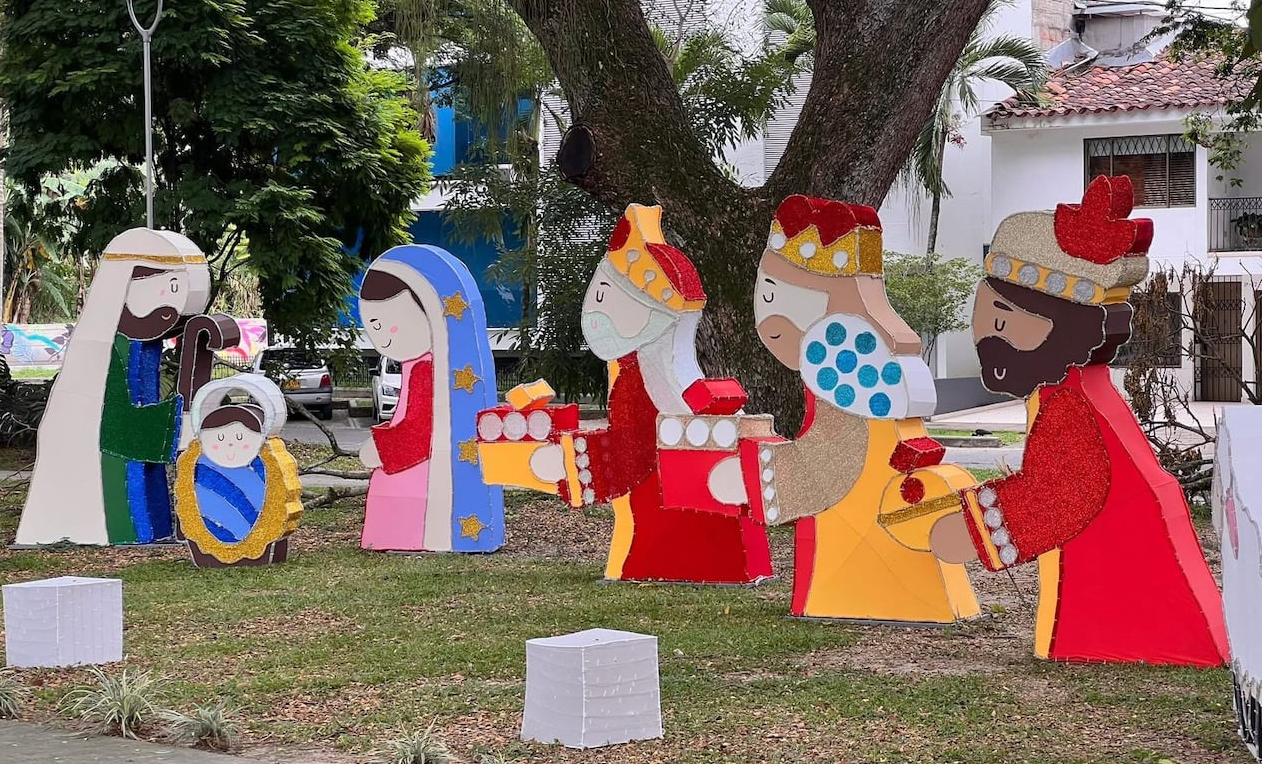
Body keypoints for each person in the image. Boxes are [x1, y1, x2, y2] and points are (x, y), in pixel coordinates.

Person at [928, 175, 1227, 665]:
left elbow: (1062, 495)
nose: (984, 332)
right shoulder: (1077, 391)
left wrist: (969, 530)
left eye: (998, 315)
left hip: (1121, 590)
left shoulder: (1068, 404)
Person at [729, 194, 980, 623]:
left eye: (772, 295)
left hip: (854, 523)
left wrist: (758, 469)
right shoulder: (854, 358)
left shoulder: (839, 359)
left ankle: (843, 596)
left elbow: (832, 463)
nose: (767, 321)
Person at [524, 204, 773, 584]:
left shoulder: (646, 378)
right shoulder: (636, 371)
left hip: (662, 498)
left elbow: (631, 450)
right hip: (658, 498)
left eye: (604, 296)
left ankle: (679, 564)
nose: (596, 313)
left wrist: (572, 463)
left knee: (659, 532)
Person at [16, 228, 209, 546]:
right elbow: (119, 430)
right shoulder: (106, 355)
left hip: (118, 445)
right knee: (130, 488)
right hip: (100, 467)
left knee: (145, 482)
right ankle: (122, 531)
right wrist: (174, 422)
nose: (169, 317)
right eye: (168, 291)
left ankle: (152, 530)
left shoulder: (135, 348)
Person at [356, 244, 504, 553]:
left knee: (390, 486)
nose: (381, 336)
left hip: (418, 469)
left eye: (384, 323)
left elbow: (420, 429)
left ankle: (410, 535)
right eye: (372, 325)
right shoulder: (416, 365)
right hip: (412, 464)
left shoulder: (426, 370)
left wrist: (382, 449)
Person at [174, 373, 302, 567]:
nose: (230, 445)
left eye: (240, 438)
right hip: (208, 524)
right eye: (220, 438)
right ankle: (208, 554)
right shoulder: (199, 462)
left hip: (258, 526)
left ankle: (258, 552)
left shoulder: (265, 461)